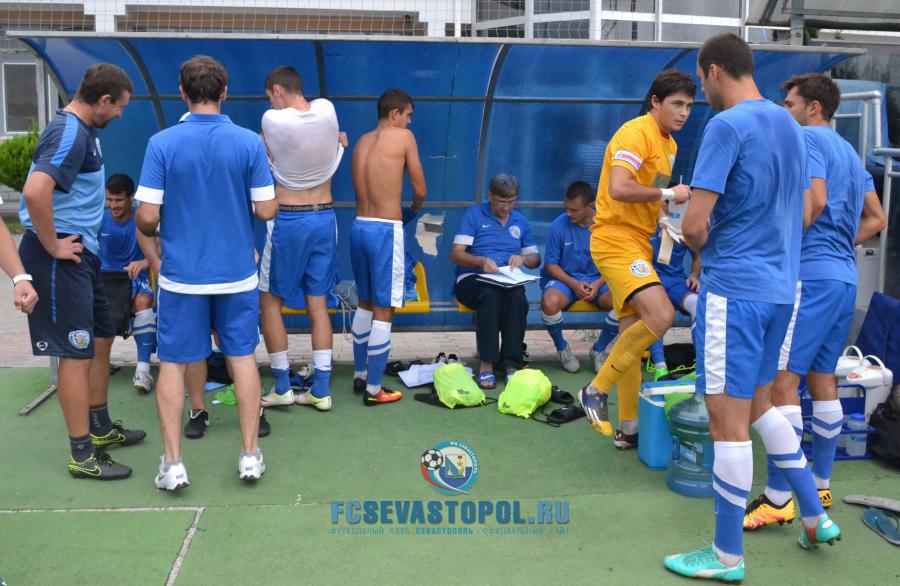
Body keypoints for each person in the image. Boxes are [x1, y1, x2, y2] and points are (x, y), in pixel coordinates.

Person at [663, 34, 840, 583]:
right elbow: (808, 209)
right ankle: (815, 514)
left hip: (734, 291)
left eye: (701, 81)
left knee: (727, 421)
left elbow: (695, 225)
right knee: (762, 405)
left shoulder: (725, 126)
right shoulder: (791, 124)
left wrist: (690, 238)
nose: (701, 93)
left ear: (715, 70)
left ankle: (726, 556)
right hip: (782, 291)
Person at [744, 73, 887, 531]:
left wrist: (781, 243)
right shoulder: (849, 152)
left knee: (780, 385)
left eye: (789, 103)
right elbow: (877, 218)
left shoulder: (805, 138)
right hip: (843, 279)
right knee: (822, 379)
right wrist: (839, 246)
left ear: (813, 108)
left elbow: (816, 202)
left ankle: (779, 497)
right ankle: (820, 483)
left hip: (809, 278)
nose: (784, 111)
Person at [135, 56, 277, 490]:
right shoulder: (249, 143)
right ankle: (250, 456)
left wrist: (164, 223)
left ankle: (174, 464)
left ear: (182, 92)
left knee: (173, 363)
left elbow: (146, 218)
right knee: (242, 357)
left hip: (182, 276)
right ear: (224, 92)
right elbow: (267, 209)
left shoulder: (161, 143)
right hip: (237, 273)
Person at [19, 63, 142, 481]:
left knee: (102, 337)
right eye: (120, 106)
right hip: (60, 255)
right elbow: (34, 192)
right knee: (75, 353)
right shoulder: (69, 132)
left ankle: (100, 426)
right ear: (103, 100)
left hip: (83, 254)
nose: (121, 114)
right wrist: (53, 244)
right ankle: (82, 454)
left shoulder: (84, 131)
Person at [578, 69, 695, 449]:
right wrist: (669, 196)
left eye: (689, 106)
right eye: (677, 104)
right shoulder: (635, 133)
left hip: (638, 241)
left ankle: (628, 428)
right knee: (660, 316)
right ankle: (595, 390)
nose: (684, 112)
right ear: (655, 102)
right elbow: (619, 187)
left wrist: (662, 219)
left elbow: (651, 190)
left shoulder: (669, 144)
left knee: (633, 332)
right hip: (615, 240)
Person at [257, 65, 348, 412]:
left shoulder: (272, 120)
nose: (271, 103)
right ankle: (321, 389)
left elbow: (266, 143)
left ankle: (282, 386)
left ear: (278, 90)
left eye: (271, 97)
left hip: (290, 220)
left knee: (270, 303)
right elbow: (330, 134)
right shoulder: (327, 110)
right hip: (325, 216)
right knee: (318, 304)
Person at [350, 88, 426, 406]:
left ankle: (360, 375)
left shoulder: (361, 142)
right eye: (408, 115)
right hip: (386, 230)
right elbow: (421, 190)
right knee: (385, 308)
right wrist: (412, 211)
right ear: (395, 113)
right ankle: (374, 389)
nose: (410, 122)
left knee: (365, 303)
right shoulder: (404, 138)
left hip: (360, 226)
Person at [451, 174, 540, 388]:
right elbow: (456, 254)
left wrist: (523, 259)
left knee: (517, 297)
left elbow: (535, 259)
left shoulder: (520, 221)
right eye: (501, 202)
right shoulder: (474, 215)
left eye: (511, 202)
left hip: (507, 280)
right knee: (490, 295)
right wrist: (480, 261)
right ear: (489, 196)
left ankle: (511, 364)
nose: (506, 208)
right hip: (472, 278)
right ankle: (487, 363)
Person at [540, 180, 613, 373]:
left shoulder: (606, 225)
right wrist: (574, 284)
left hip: (599, 282)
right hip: (567, 281)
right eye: (566, 208)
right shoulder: (558, 225)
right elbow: (550, 264)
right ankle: (562, 348)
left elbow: (616, 262)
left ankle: (599, 349)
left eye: (574, 210)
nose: (568, 213)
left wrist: (597, 284)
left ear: (591, 206)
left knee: (625, 302)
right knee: (549, 302)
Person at [98, 173, 158, 394]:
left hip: (135, 280)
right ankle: (99, 361)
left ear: (131, 197)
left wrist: (144, 262)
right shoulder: (99, 219)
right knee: (85, 303)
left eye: (119, 200)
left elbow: (161, 248)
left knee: (143, 302)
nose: (113, 205)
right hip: (104, 280)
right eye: (109, 200)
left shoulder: (142, 220)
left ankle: (143, 371)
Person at [645, 220, 701, 380]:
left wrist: (694, 275)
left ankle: (702, 366)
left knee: (698, 305)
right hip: (650, 280)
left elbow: (697, 255)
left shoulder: (681, 222)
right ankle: (660, 367)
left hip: (676, 281)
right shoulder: (644, 220)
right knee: (656, 310)